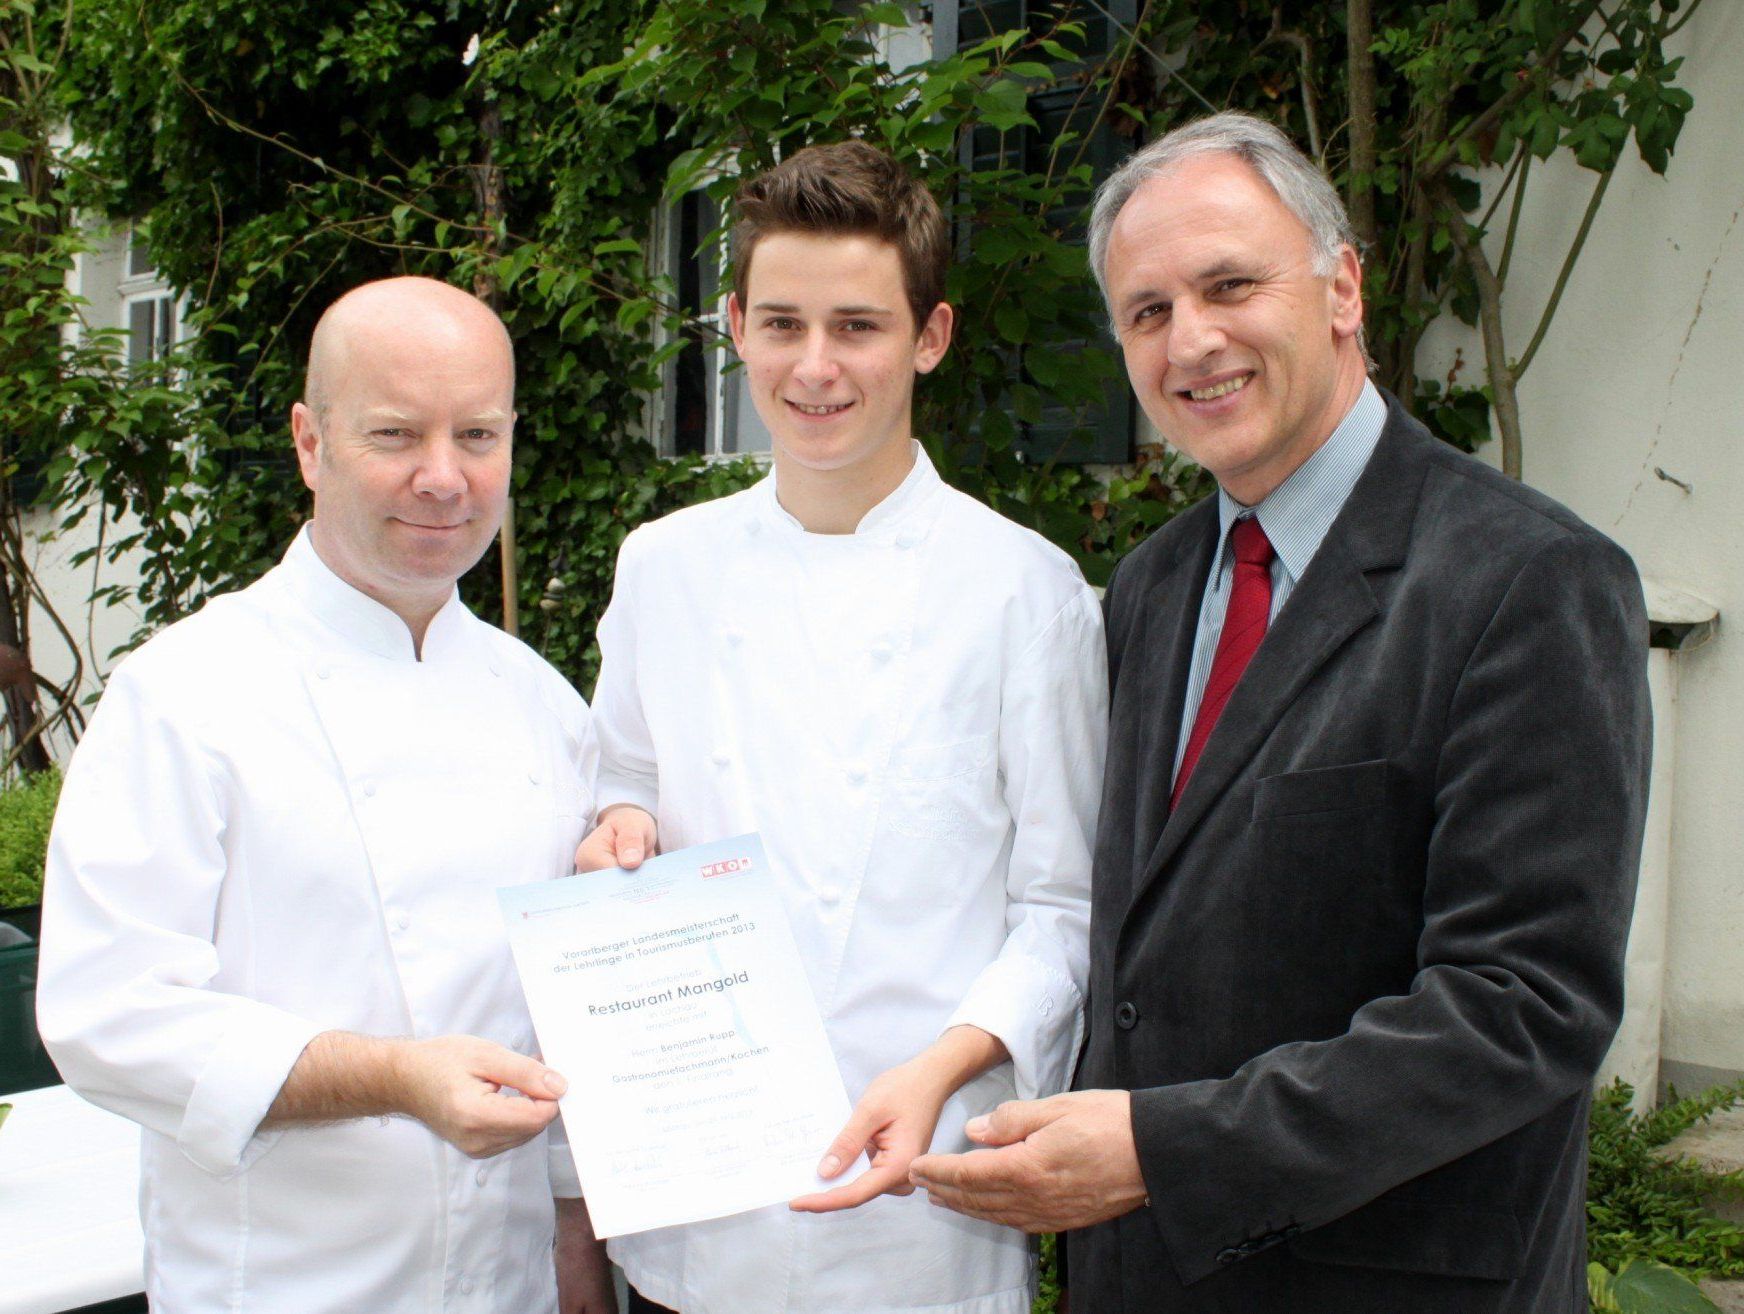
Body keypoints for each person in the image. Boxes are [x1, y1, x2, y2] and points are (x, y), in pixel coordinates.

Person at [909, 113, 1653, 1314]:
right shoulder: (1152, 587)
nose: (1191, 339)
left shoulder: (1528, 581)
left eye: (1230, 284)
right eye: (1147, 311)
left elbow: (1525, 1007)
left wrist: (1165, 1151)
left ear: (1342, 286)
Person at [575, 140, 1107, 1314]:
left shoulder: (1028, 593)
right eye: (782, 324)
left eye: (858, 327)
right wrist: (614, 829)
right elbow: (625, 781)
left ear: (931, 336)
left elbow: (1064, 910)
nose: (815, 367)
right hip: (696, 1219)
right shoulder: (662, 569)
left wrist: (943, 1067)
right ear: (734, 326)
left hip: (922, 1212)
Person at [37, 277, 615, 1314]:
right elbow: (105, 1017)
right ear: (311, 442)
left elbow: (564, 1028)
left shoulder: (544, 706)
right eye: (397, 433)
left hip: (510, 1288)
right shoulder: (184, 695)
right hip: (279, 1288)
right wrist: (392, 1077)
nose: (444, 477)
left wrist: (580, 1275)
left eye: (478, 435)